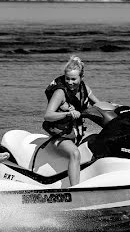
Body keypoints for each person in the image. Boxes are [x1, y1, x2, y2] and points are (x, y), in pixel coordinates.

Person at [43, 55, 109, 186]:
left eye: (74, 79)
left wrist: (116, 108)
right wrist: (68, 114)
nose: (70, 82)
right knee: (75, 153)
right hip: (60, 137)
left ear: (81, 78)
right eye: (67, 79)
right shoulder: (60, 93)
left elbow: (99, 105)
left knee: (102, 141)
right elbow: (48, 115)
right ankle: (75, 189)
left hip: (77, 134)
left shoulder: (85, 89)